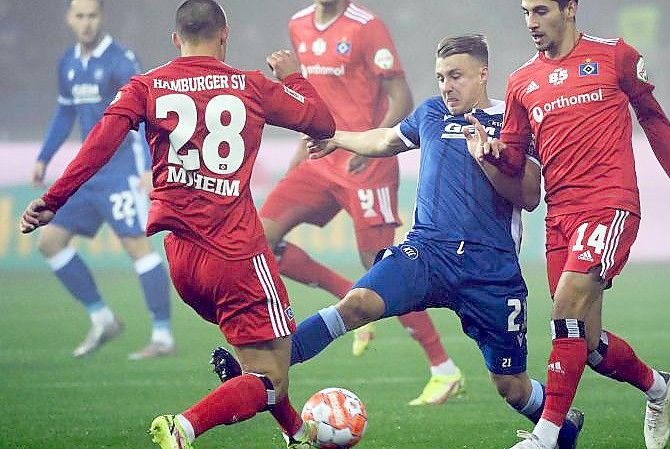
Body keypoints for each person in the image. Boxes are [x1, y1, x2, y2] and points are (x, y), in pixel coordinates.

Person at [20, 1, 336, 448]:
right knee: (272, 381)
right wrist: (294, 76)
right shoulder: (250, 85)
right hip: (237, 255)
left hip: (184, 263)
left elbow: (98, 145)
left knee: (259, 365)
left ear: (175, 39)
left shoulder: (145, 86)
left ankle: (298, 434)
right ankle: (184, 428)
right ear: (225, 35)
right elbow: (323, 122)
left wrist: (54, 200)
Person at [296, 34, 584, 448]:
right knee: (357, 303)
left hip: (491, 269)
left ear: (483, 74)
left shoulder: (515, 121)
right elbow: (385, 140)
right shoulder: (431, 113)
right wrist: (338, 138)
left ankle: (562, 425)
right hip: (427, 253)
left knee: (512, 388)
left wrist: (486, 157)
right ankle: (269, 366)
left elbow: (529, 196)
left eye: (456, 76)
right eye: (440, 77)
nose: (446, 86)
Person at [471, 1, 670, 448]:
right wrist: (489, 152)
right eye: (525, 12)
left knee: (564, 310)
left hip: (610, 206)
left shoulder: (615, 56)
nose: (530, 22)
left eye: (541, 10)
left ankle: (546, 435)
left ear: (569, 8)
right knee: (589, 344)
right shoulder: (521, 82)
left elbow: (654, 120)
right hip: (559, 218)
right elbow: (514, 157)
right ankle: (659, 388)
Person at [257, 0, 464, 405]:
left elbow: (401, 97)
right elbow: (315, 100)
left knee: (384, 268)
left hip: (365, 162)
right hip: (320, 157)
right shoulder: (298, 24)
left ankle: (444, 369)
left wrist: (373, 145)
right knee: (259, 239)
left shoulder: (366, 26)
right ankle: (348, 294)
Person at [32, 0, 175, 359]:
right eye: (79, 16)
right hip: (88, 175)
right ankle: (102, 317)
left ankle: (162, 335)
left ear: (102, 18)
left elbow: (146, 114)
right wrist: (44, 158)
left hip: (122, 170)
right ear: (69, 19)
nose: (86, 23)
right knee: (49, 242)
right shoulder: (68, 63)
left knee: (136, 246)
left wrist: (148, 168)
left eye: (92, 15)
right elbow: (65, 113)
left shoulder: (121, 60)